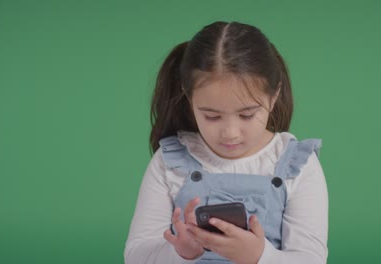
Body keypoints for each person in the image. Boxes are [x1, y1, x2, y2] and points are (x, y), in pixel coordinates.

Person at [124, 21, 328, 264]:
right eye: (212, 116)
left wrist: (258, 256)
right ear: (189, 98)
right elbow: (137, 256)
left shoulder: (297, 165)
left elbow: (311, 259)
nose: (230, 133)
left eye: (247, 115)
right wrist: (180, 253)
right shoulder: (169, 162)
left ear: (273, 97)